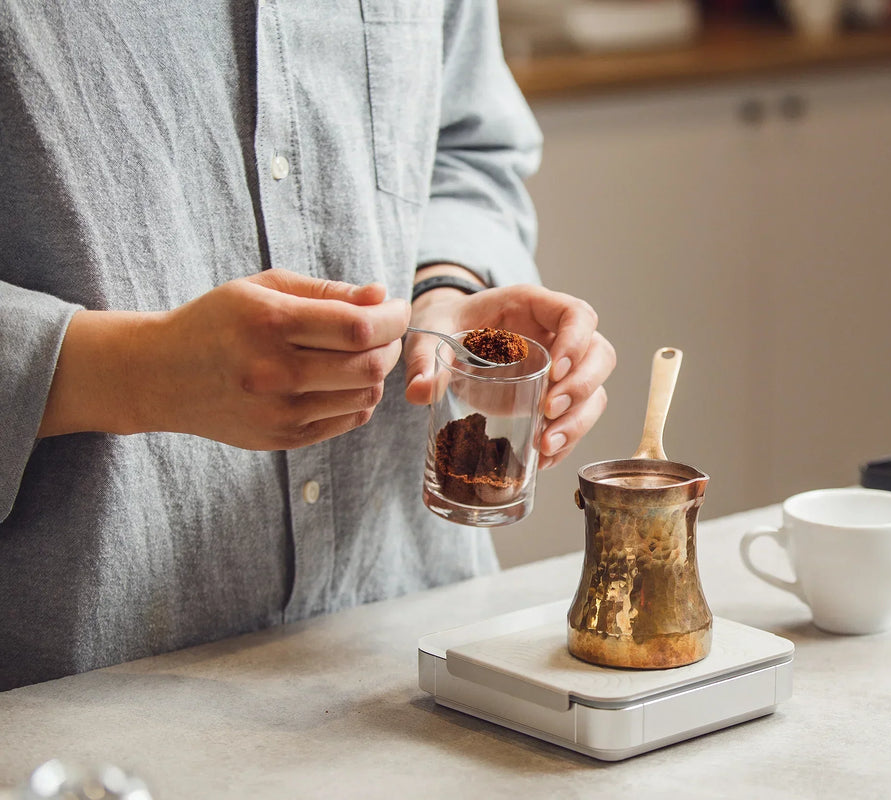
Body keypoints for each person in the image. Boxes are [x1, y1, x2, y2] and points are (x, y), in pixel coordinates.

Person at [0, 1, 615, 690]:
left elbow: (465, 148)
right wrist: (132, 372)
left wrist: (447, 286)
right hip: (79, 694)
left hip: (413, 650)